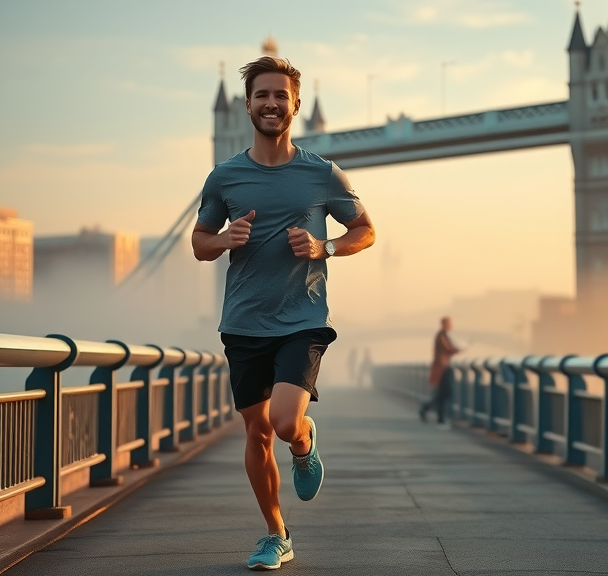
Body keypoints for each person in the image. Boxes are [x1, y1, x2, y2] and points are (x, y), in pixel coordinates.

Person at [191, 55, 375, 571]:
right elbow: (199, 243)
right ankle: (277, 534)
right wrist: (224, 238)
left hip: (303, 318)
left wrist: (325, 248)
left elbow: (366, 231)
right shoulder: (224, 177)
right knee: (255, 434)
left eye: (280, 95)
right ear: (247, 105)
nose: (271, 103)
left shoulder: (322, 174)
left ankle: (304, 439)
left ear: (296, 104)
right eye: (262, 95)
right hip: (243, 322)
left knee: (284, 419)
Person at [419, 317, 461, 428]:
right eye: (449, 323)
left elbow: (449, 349)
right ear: (444, 324)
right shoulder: (441, 336)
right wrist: (459, 349)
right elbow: (449, 349)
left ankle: (431, 411)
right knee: (445, 392)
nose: (451, 325)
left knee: (442, 393)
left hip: (444, 367)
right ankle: (433, 412)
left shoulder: (444, 335)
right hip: (442, 368)